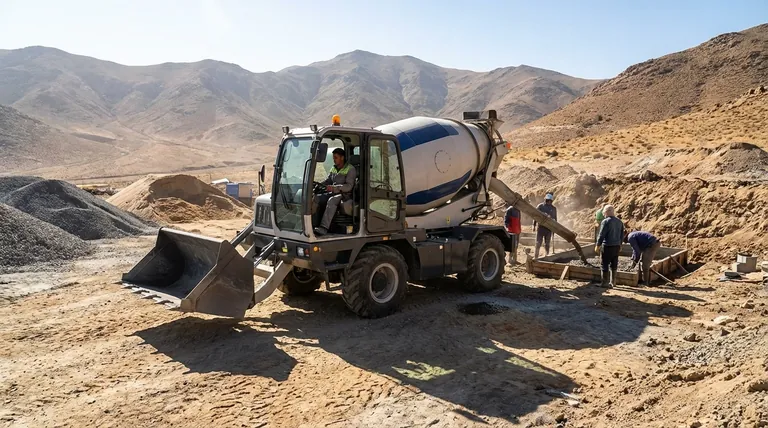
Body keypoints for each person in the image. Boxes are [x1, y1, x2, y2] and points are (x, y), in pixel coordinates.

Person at [314, 148, 357, 236]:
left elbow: (349, 186)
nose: (334, 160)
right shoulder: (334, 168)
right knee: (317, 198)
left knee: (332, 200)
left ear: (342, 158)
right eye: (333, 158)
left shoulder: (350, 169)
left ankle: (324, 228)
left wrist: (334, 188)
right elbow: (328, 180)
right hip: (333, 192)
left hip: (345, 194)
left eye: (336, 157)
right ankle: (314, 224)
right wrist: (319, 184)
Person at [595, 204, 625, 288]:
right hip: (616, 246)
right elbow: (622, 235)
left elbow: (601, 234)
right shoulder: (619, 221)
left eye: (604, 213)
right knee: (614, 264)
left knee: (604, 264)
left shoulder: (606, 221)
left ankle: (604, 283)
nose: (604, 214)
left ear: (607, 212)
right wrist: (620, 245)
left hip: (607, 246)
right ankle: (613, 282)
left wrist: (598, 245)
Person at [532, 193, 557, 259]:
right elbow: (535, 216)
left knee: (547, 244)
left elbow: (555, 219)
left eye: (550, 201)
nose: (549, 202)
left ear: (551, 201)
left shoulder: (553, 208)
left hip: (549, 229)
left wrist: (555, 228)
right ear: (545, 200)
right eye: (547, 200)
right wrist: (534, 225)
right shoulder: (540, 206)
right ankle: (536, 257)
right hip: (540, 228)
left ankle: (547, 257)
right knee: (538, 243)